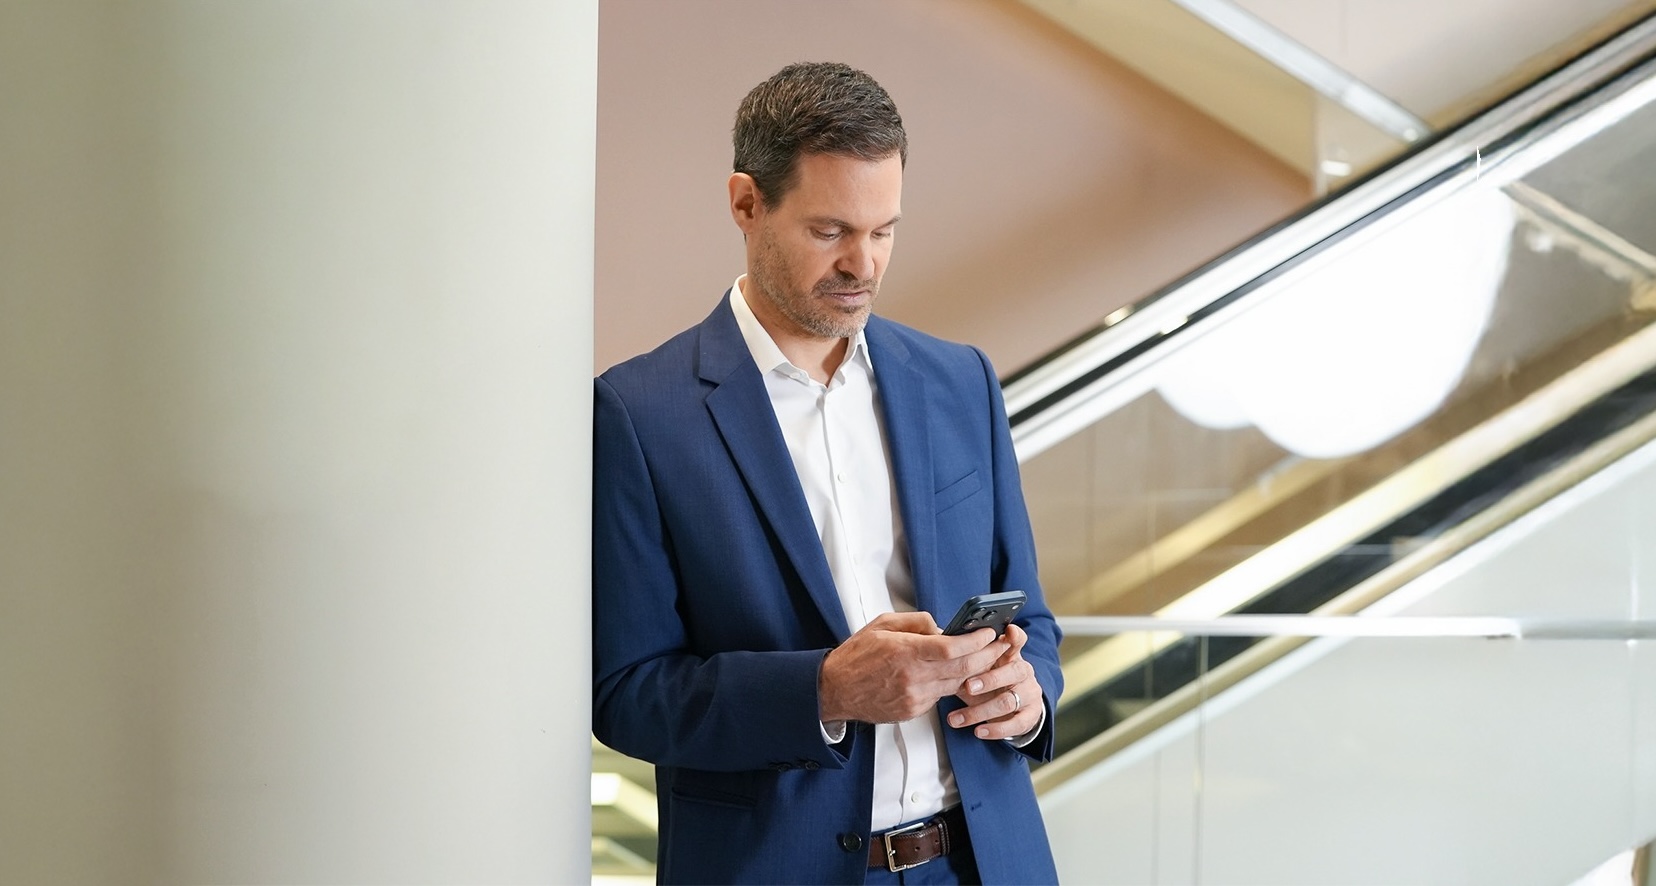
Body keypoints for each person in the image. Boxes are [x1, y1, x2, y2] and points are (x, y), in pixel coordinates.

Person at [592, 61, 1062, 885]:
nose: (864, 265)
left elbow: (1037, 619)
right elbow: (627, 694)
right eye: (830, 231)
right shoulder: (638, 414)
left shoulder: (961, 381)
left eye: (884, 231)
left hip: (985, 861)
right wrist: (824, 690)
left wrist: (1029, 696)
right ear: (746, 204)